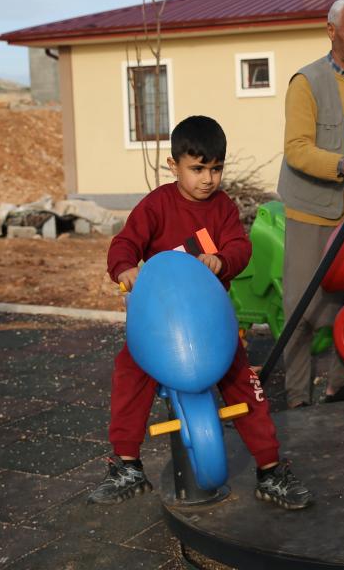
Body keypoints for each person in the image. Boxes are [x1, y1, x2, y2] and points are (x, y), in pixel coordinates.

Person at [88, 115, 312, 510]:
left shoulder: (222, 208)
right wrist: (125, 268)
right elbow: (124, 243)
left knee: (246, 382)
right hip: (162, 321)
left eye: (215, 169)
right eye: (197, 169)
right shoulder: (156, 205)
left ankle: (271, 468)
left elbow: (241, 248)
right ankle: (125, 463)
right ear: (174, 166)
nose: (207, 178)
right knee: (129, 370)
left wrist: (222, 260)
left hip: (209, 320)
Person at [276, 0, 344, 408]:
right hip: (312, 210)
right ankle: (298, 396)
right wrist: (340, 163)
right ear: (331, 30)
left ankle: (340, 384)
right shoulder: (306, 82)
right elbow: (296, 149)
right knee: (302, 308)